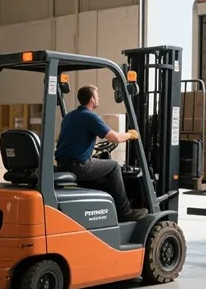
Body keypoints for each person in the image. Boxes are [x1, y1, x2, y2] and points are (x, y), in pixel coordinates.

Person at [54, 84, 147, 221]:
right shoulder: (90, 117)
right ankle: (125, 211)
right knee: (114, 166)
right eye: (97, 96)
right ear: (92, 99)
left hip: (64, 164)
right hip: (79, 166)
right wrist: (130, 135)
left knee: (102, 165)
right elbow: (114, 138)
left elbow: (76, 140)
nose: (99, 99)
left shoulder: (70, 116)